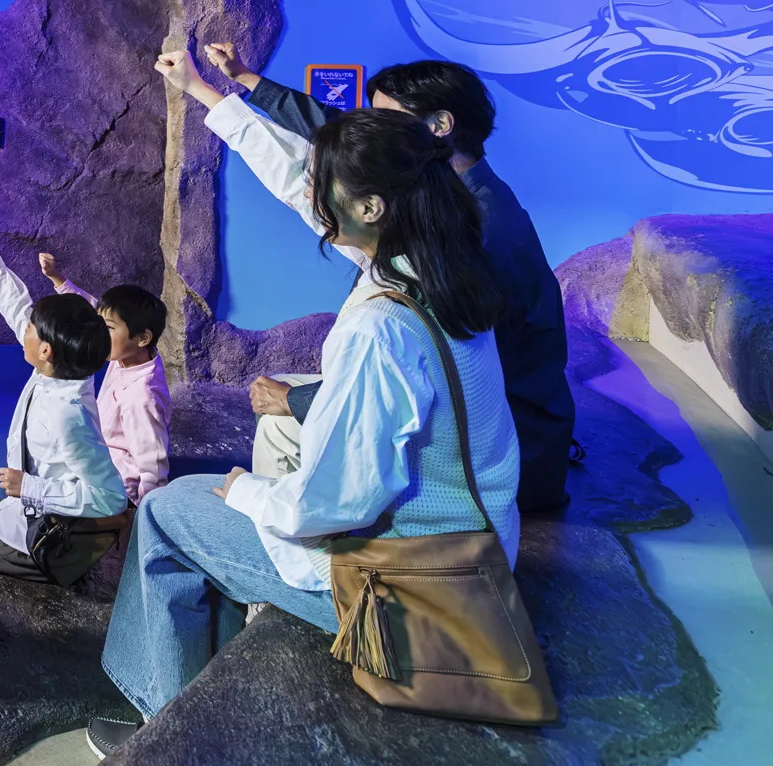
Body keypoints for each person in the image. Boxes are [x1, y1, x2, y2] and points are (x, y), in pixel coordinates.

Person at [88, 80, 521, 760]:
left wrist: (247, 492)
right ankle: (213, 672)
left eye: (324, 184)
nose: (311, 193)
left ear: (370, 207)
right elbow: (293, 181)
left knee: (171, 511)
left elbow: (337, 502)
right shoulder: (444, 264)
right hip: (479, 548)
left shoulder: (378, 329)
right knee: (276, 432)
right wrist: (210, 95)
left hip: (413, 596)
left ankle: (163, 724)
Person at [202, 43, 575, 512]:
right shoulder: (452, 197)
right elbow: (335, 130)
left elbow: (446, 378)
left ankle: (299, 550)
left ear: (439, 126)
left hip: (495, 459)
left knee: (281, 422)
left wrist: (298, 402)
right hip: (483, 430)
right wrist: (245, 77)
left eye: (385, 120)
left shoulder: (471, 234)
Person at [0, 213, 130, 585]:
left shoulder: (69, 415)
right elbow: (15, 304)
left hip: (37, 535)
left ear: (46, 350)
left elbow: (110, 497)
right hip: (21, 507)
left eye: (32, 327)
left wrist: (30, 488)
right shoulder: (59, 367)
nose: (25, 327)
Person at [37, 253, 171, 504]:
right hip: (103, 452)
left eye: (107, 328)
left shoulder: (142, 397)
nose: (98, 332)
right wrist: (57, 279)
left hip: (118, 488)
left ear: (142, 338)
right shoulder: (131, 354)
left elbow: (152, 463)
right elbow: (91, 309)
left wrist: (144, 511)